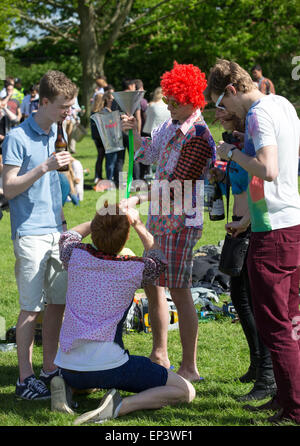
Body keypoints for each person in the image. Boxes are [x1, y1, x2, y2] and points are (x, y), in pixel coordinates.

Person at [206, 59, 300, 424]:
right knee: (291, 321)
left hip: (274, 235)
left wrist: (231, 153)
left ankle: (292, 407)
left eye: (221, 104)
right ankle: (286, 398)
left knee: (275, 324)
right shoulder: (284, 105)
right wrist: (249, 216)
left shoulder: (260, 113)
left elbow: (269, 169)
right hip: (288, 223)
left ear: (231, 90)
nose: (222, 112)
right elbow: (286, 172)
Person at [50, 202, 195, 424]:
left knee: (88, 376)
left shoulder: (75, 256)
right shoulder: (134, 268)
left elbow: (68, 235)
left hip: (68, 365)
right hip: (110, 366)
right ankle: (121, 405)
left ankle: (65, 386)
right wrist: (136, 222)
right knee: (185, 391)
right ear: (126, 239)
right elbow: (159, 258)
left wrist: (100, 222)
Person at [121, 61, 216, 382]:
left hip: (182, 223)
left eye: (177, 101)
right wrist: (134, 132)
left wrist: (137, 198)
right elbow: (147, 155)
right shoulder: (169, 127)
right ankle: (159, 354)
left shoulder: (200, 136)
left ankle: (189, 366)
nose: (171, 106)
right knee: (152, 282)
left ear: (194, 99)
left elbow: (176, 184)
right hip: (161, 218)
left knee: (180, 289)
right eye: (170, 100)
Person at [2, 69, 78, 400]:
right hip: (29, 233)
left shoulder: (56, 131)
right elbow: (8, 187)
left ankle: (49, 369)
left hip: (54, 230)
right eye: (64, 106)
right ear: (44, 102)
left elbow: (55, 187)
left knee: (57, 304)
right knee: (31, 308)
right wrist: (44, 167)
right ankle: (24, 379)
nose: (68, 112)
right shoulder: (17, 138)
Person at [210, 108, 276, 402]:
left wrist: (245, 222)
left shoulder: (249, 147)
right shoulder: (234, 146)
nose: (219, 120)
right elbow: (238, 181)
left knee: (252, 301)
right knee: (239, 298)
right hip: (236, 227)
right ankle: (256, 364)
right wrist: (221, 172)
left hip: (249, 226)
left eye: (223, 115)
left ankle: (267, 375)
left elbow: (259, 185)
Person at [111, 79, 142, 184]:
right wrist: (138, 132)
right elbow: (138, 117)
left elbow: (113, 116)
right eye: (134, 86)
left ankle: (118, 182)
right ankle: (136, 180)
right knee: (134, 157)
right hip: (130, 131)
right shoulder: (134, 97)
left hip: (119, 131)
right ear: (131, 86)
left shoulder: (116, 98)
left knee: (120, 158)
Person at [90, 91, 118, 185]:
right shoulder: (103, 111)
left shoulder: (93, 111)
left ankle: (98, 176)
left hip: (96, 137)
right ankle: (106, 176)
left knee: (100, 156)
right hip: (102, 137)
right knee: (106, 157)